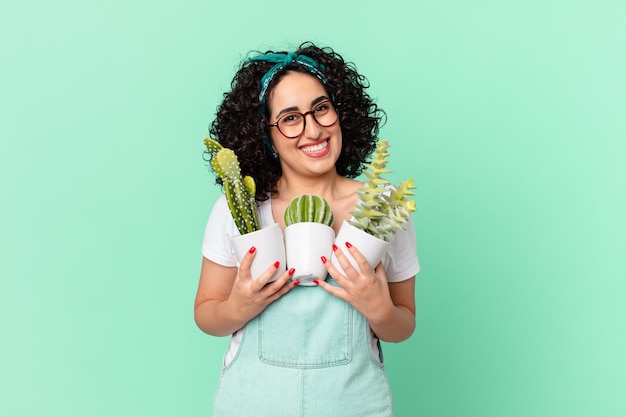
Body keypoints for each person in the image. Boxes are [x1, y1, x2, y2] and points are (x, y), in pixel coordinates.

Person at [194, 42, 420, 417]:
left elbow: (404, 324)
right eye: (290, 118)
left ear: (341, 112)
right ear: (264, 134)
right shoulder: (238, 210)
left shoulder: (384, 208)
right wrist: (239, 306)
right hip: (252, 404)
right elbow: (206, 315)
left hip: (352, 404)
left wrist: (379, 310)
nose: (313, 129)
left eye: (321, 108)